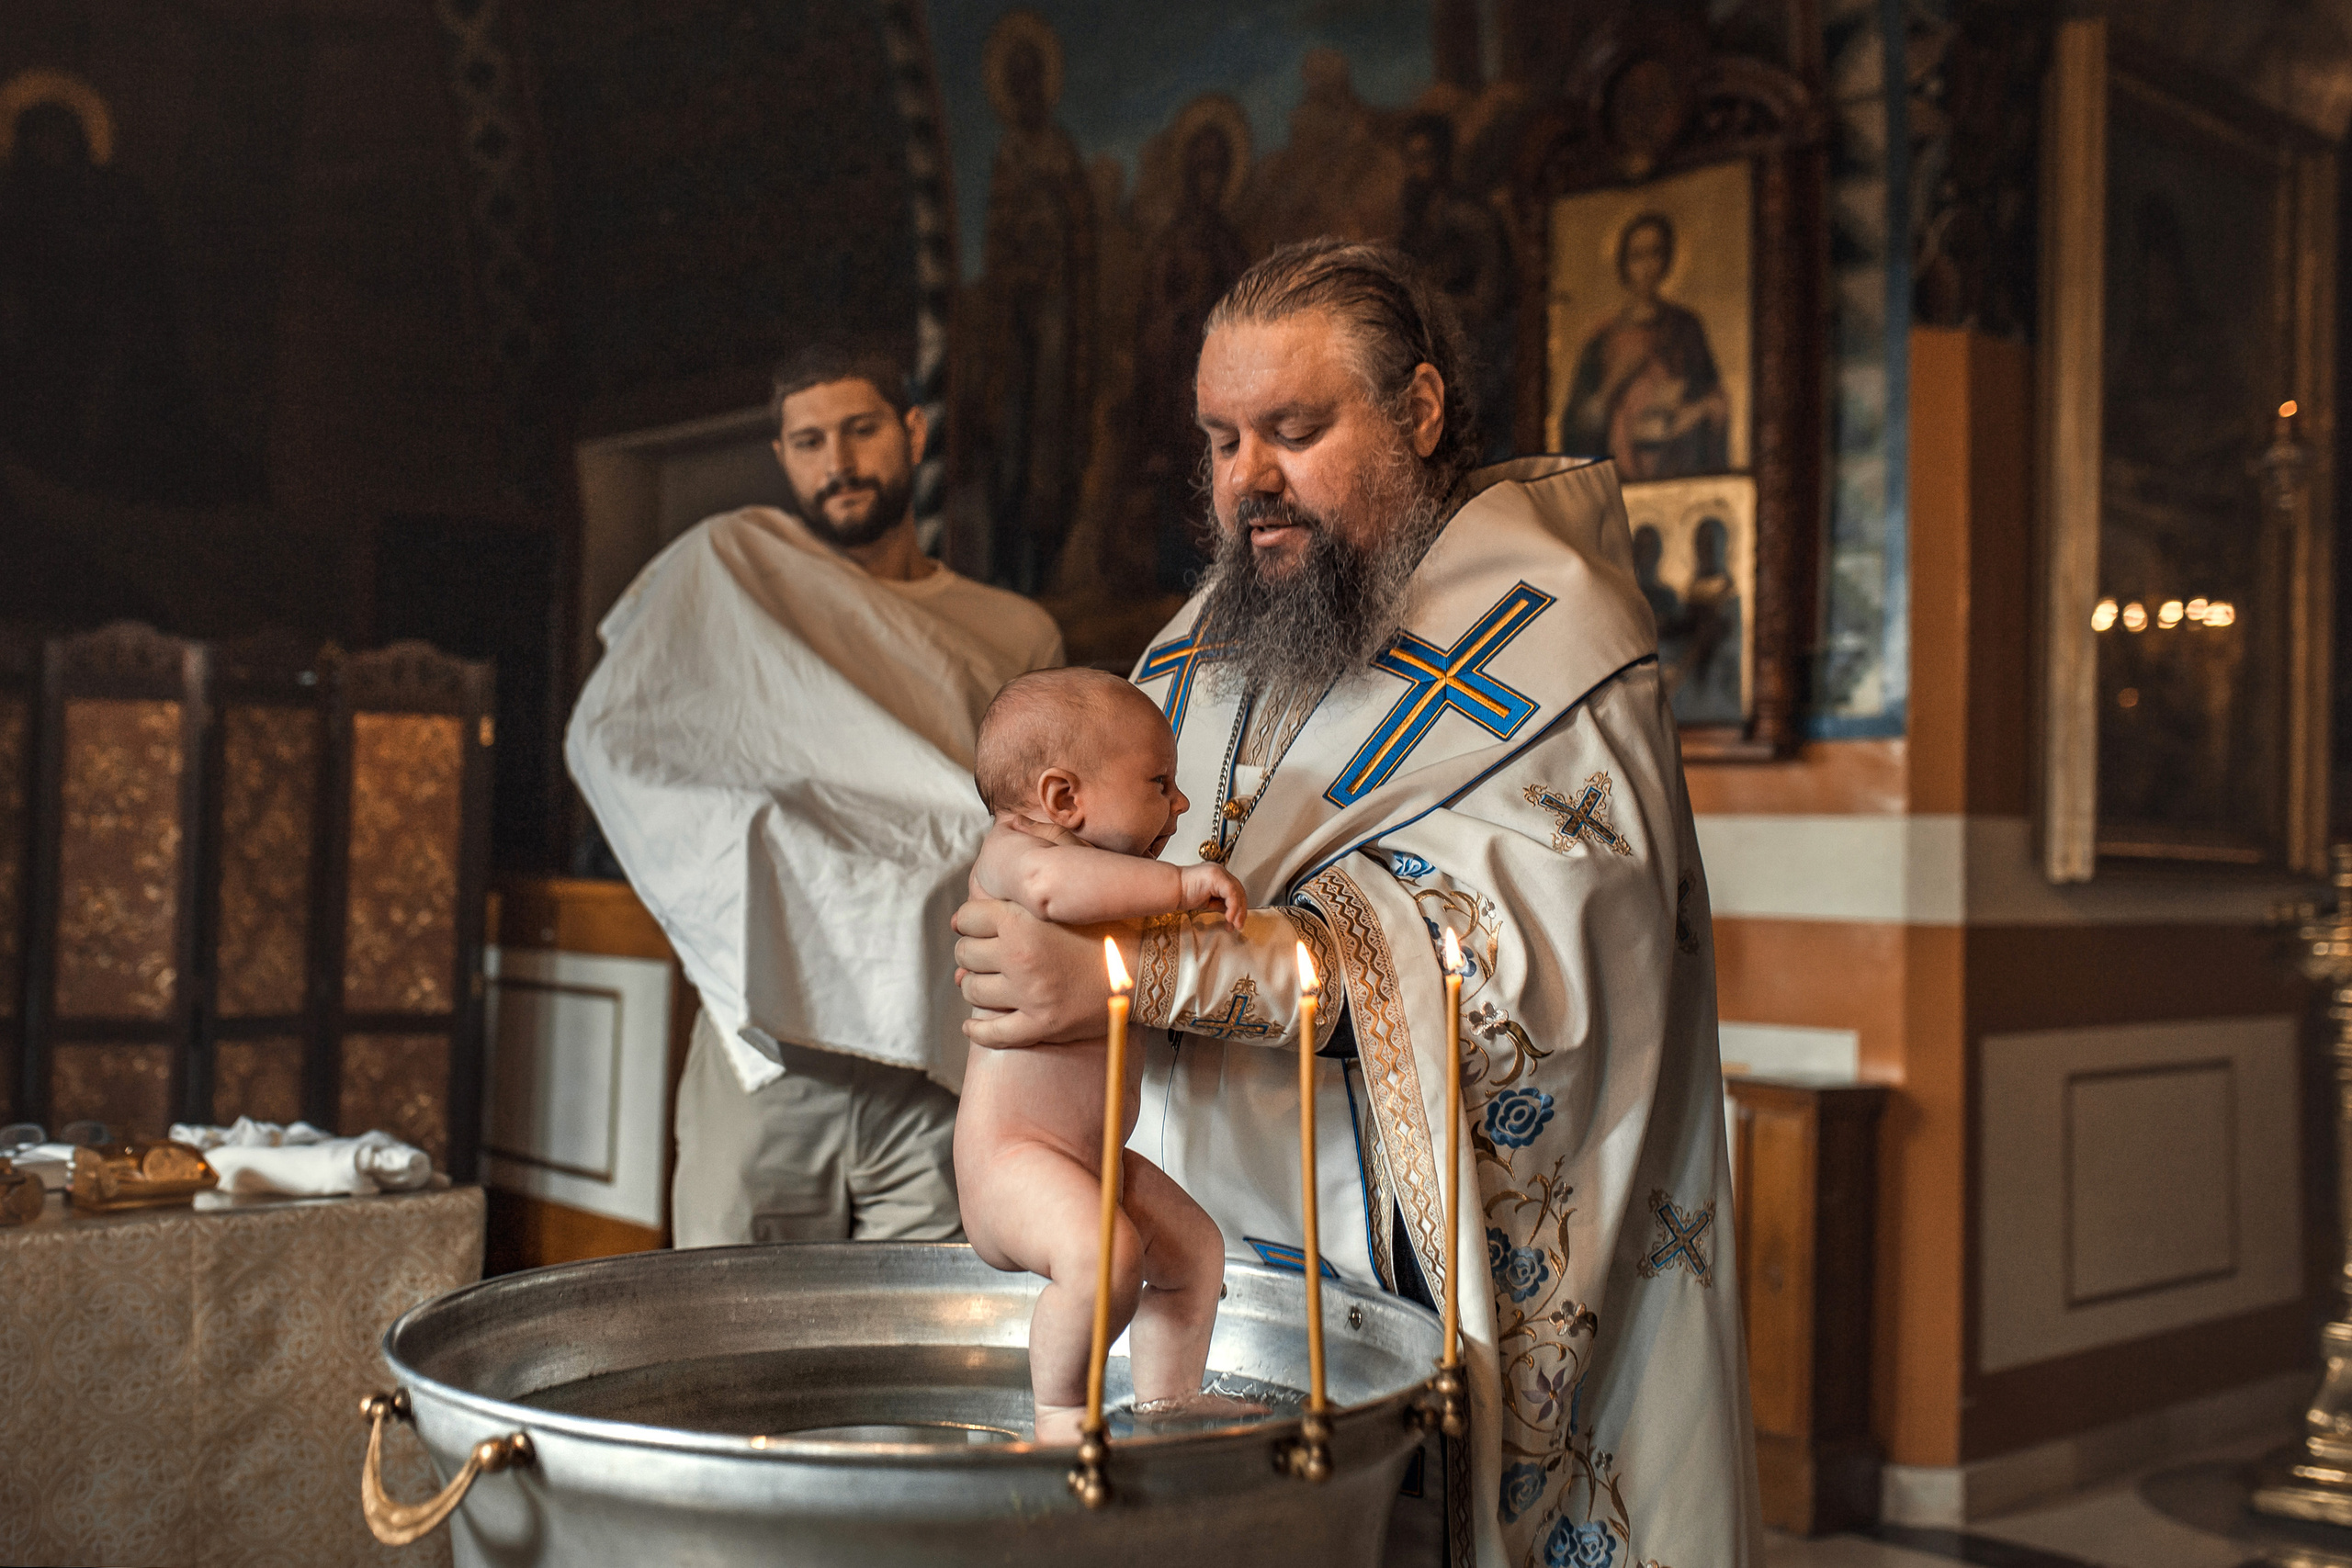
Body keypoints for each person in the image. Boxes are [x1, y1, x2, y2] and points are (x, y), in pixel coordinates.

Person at [952, 240, 1759, 1565]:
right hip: (1216, 1256)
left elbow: (1516, 969)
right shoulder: (1198, 639)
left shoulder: (1559, 635)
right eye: (1219, 439)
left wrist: (1129, 976)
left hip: (1425, 1267)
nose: (1245, 479)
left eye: (1293, 429)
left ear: (1421, 414)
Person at [568, 343, 1063, 1247]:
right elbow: (626, 739)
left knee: (924, 1351)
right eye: (806, 441)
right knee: (729, 1345)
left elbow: (1042, 827)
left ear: (912, 433)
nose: (835, 463)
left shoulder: (1012, 629)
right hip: (766, 1048)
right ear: (782, 458)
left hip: (938, 1048)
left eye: (860, 429)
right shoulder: (729, 584)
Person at [957, 668, 1250, 1439]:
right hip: (1013, 1159)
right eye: (1159, 782)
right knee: (1109, 1254)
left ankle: (1166, 1397)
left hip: (1091, 1156)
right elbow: (1058, 886)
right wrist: (1183, 885)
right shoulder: (1016, 853)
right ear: (1061, 799)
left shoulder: (1093, 877)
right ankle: (1059, 1416)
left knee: (1193, 1250)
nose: (1180, 804)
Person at [1557, 212, 1730, 479]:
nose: (1647, 266)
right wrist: (1615, 381)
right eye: (1637, 256)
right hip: (1620, 470)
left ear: (1668, 259)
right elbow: (1576, 428)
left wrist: (1690, 412)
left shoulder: (1685, 328)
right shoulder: (1602, 338)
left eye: (1655, 253)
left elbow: (1713, 399)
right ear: (1624, 263)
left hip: (1676, 464)